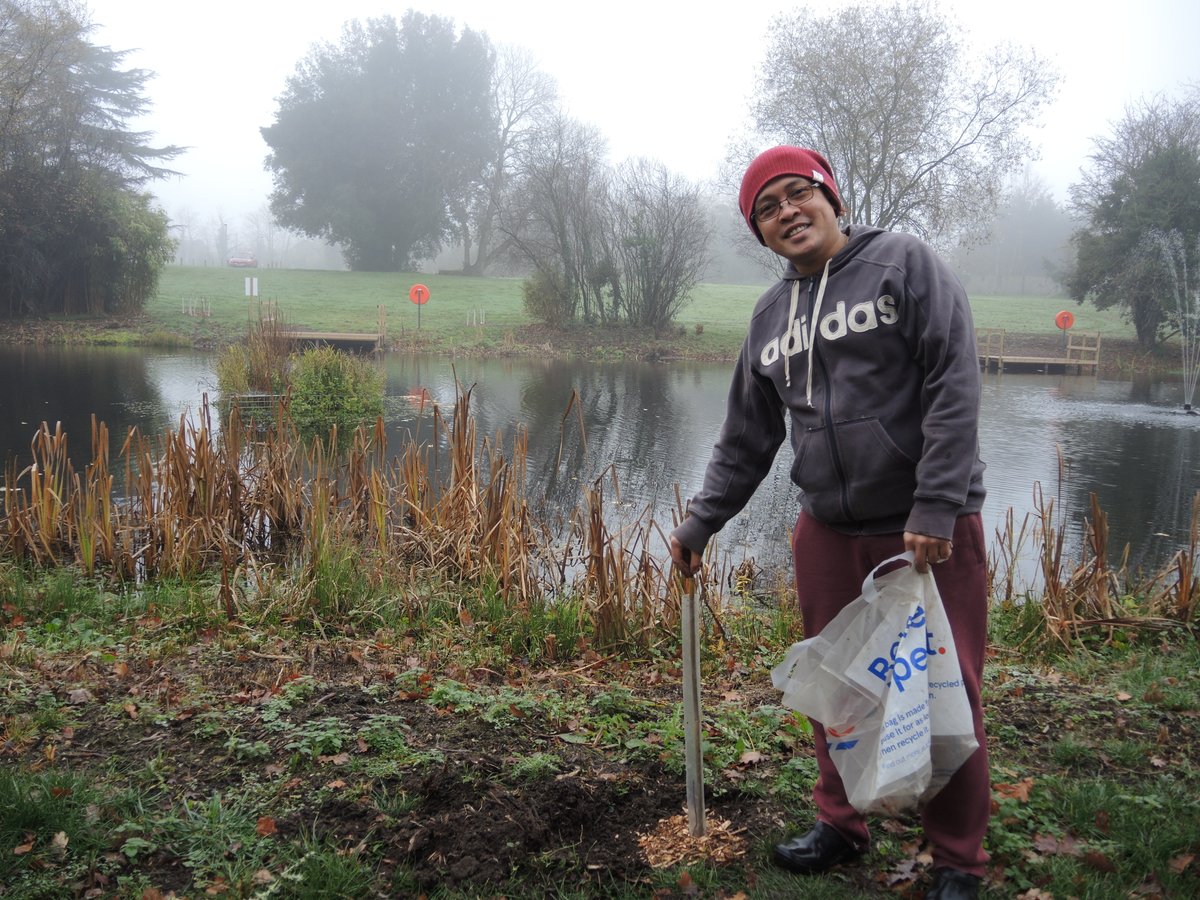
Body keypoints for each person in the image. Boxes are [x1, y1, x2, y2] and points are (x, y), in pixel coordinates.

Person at [669, 146, 989, 900]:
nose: (786, 212)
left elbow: (954, 378)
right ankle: (842, 825)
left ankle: (956, 860)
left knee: (946, 690)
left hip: (923, 531)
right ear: (762, 234)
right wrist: (699, 523)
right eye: (767, 209)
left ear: (830, 199)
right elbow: (747, 437)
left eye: (796, 194)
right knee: (837, 688)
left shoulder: (903, 265)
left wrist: (937, 502)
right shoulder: (770, 317)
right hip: (826, 529)